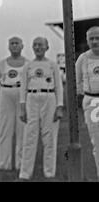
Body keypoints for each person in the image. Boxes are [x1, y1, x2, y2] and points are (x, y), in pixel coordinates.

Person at [18, 37, 63, 180]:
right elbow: (23, 88)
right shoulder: (28, 66)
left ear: (47, 47)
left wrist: (59, 106)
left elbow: (59, 87)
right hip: (32, 99)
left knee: (49, 137)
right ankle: (25, 173)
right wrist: (22, 108)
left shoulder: (52, 65)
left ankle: (49, 172)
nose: (38, 48)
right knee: (29, 137)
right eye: (35, 45)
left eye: (41, 45)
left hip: (49, 98)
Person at [0, 37, 29, 171]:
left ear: (22, 46)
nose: (14, 46)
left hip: (22, 96)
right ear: (8, 46)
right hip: (6, 94)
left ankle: (21, 164)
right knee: (4, 129)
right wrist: (3, 91)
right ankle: (3, 164)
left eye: (17, 43)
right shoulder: (2, 64)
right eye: (11, 43)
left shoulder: (28, 64)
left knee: (22, 129)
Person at [76, 26, 99, 180]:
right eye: (91, 38)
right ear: (87, 40)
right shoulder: (83, 59)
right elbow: (76, 82)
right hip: (92, 102)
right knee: (97, 140)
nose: (95, 41)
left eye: (98, 38)